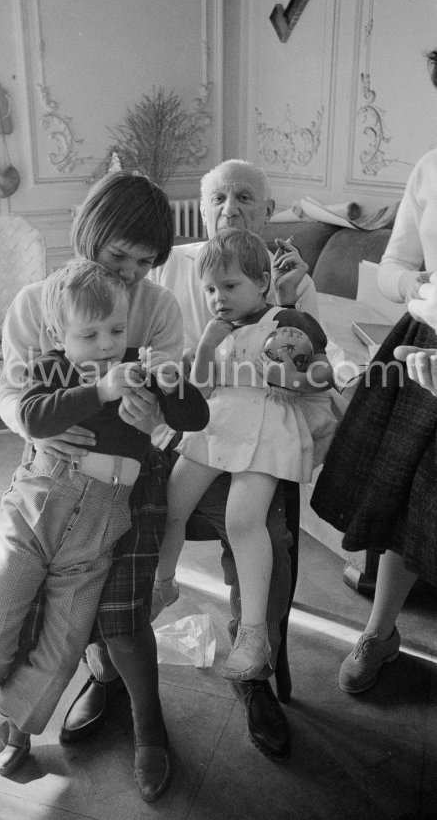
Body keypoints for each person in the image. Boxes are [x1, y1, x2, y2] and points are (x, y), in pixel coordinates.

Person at [0, 260, 209, 793]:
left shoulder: (137, 364)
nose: (107, 344)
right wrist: (101, 392)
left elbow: (194, 419)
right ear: (59, 337)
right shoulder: (53, 367)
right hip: (39, 501)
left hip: (105, 517)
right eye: (89, 335)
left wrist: (172, 384)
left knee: (64, 645)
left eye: (115, 330)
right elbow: (35, 416)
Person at [0, 171, 185, 802]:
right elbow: (11, 394)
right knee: (26, 596)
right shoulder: (33, 303)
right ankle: (16, 718)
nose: (131, 274)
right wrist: (33, 423)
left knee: (120, 612)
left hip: (132, 477)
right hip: (51, 473)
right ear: (88, 235)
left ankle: (150, 728)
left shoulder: (156, 308)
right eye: (117, 256)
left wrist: (158, 416)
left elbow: (180, 404)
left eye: (145, 263)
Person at [149, 158, 320, 761]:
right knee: (140, 502)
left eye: (245, 197)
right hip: (194, 429)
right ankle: (114, 655)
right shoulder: (177, 265)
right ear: (202, 204)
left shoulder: (288, 279)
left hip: (258, 439)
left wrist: (294, 298)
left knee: (259, 524)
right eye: (218, 196)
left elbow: (309, 373)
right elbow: (167, 363)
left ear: (267, 211)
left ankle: (255, 672)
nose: (229, 206)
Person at [155, 229, 336, 681]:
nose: (218, 298)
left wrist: (293, 375)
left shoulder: (286, 318)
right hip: (215, 424)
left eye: (230, 286)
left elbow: (323, 371)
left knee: (243, 519)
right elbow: (200, 386)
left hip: (266, 428)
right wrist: (207, 344)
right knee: (171, 502)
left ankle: (253, 633)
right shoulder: (219, 331)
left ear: (261, 281)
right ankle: (162, 583)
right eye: (211, 289)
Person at [311, 49, 437, 696]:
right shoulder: (429, 170)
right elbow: (392, 267)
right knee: (403, 492)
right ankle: (380, 631)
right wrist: (416, 280)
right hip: (425, 346)